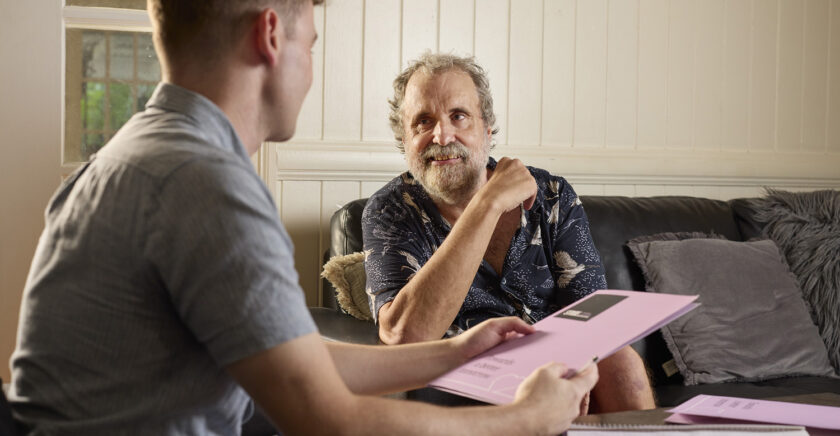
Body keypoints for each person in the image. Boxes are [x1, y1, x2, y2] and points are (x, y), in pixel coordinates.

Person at [8, 1, 599, 435]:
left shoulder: (128, 157)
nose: (310, 68)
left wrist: (457, 352)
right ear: (270, 33)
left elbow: (299, 360)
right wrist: (527, 419)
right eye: (311, 44)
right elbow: (328, 420)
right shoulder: (207, 185)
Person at [362, 52, 654, 413]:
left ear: (486, 129)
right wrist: (488, 204)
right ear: (404, 140)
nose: (442, 135)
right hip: (466, 373)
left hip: (557, 360)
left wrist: (576, 367)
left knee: (622, 362)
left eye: (458, 116)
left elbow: (593, 314)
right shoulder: (390, 210)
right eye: (423, 122)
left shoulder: (552, 195)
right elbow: (404, 338)